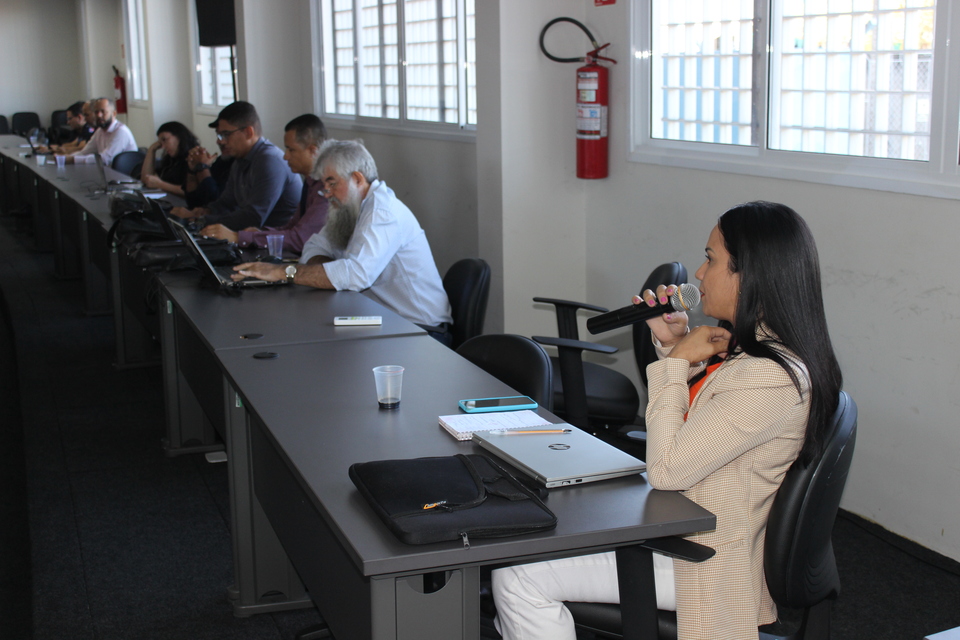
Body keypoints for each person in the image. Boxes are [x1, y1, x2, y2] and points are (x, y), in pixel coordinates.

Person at [491, 202, 843, 640]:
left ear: (747, 274)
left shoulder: (769, 376)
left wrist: (675, 364)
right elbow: (708, 422)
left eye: (711, 259)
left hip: (705, 558)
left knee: (519, 576)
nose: (698, 272)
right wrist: (673, 344)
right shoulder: (761, 351)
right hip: (690, 521)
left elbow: (667, 469)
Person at [231, 139, 453, 340]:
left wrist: (284, 272)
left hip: (419, 330)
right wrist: (328, 273)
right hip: (379, 318)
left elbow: (355, 275)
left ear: (357, 178)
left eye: (332, 183)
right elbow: (313, 245)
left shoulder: (383, 212)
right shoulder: (350, 208)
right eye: (324, 186)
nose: (327, 193)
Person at [199, 114, 330, 255]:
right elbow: (292, 227)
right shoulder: (311, 182)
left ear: (313, 151)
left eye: (291, 150)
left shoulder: (327, 187)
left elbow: (300, 239)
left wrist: (239, 237)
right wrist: (258, 233)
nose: (285, 156)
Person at [169, 101, 301, 230]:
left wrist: (200, 220)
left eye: (226, 134)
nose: (220, 141)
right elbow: (226, 203)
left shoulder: (269, 161)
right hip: (252, 238)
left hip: (276, 245)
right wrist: (203, 211)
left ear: (249, 132)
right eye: (219, 135)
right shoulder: (240, 159)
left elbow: (253, 217)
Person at [55, 97, 137, 166]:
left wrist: (72, 159)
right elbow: (85, 152)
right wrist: (64, 158)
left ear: (114, 114)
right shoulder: (100, 131)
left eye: (103, 112)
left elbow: (105, 159)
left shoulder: (121, 131)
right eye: (96, 112)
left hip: (123, 178)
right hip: (106, 175)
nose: (99, 115)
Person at [140, 122, 201, 197]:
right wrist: (151, 150)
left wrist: (160, 184)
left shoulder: (194, 157)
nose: (163, 146)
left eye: (165, 140)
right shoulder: (171, 159)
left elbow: (191, 191)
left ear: (179, 136)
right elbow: (146, 178)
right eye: (160, 143)